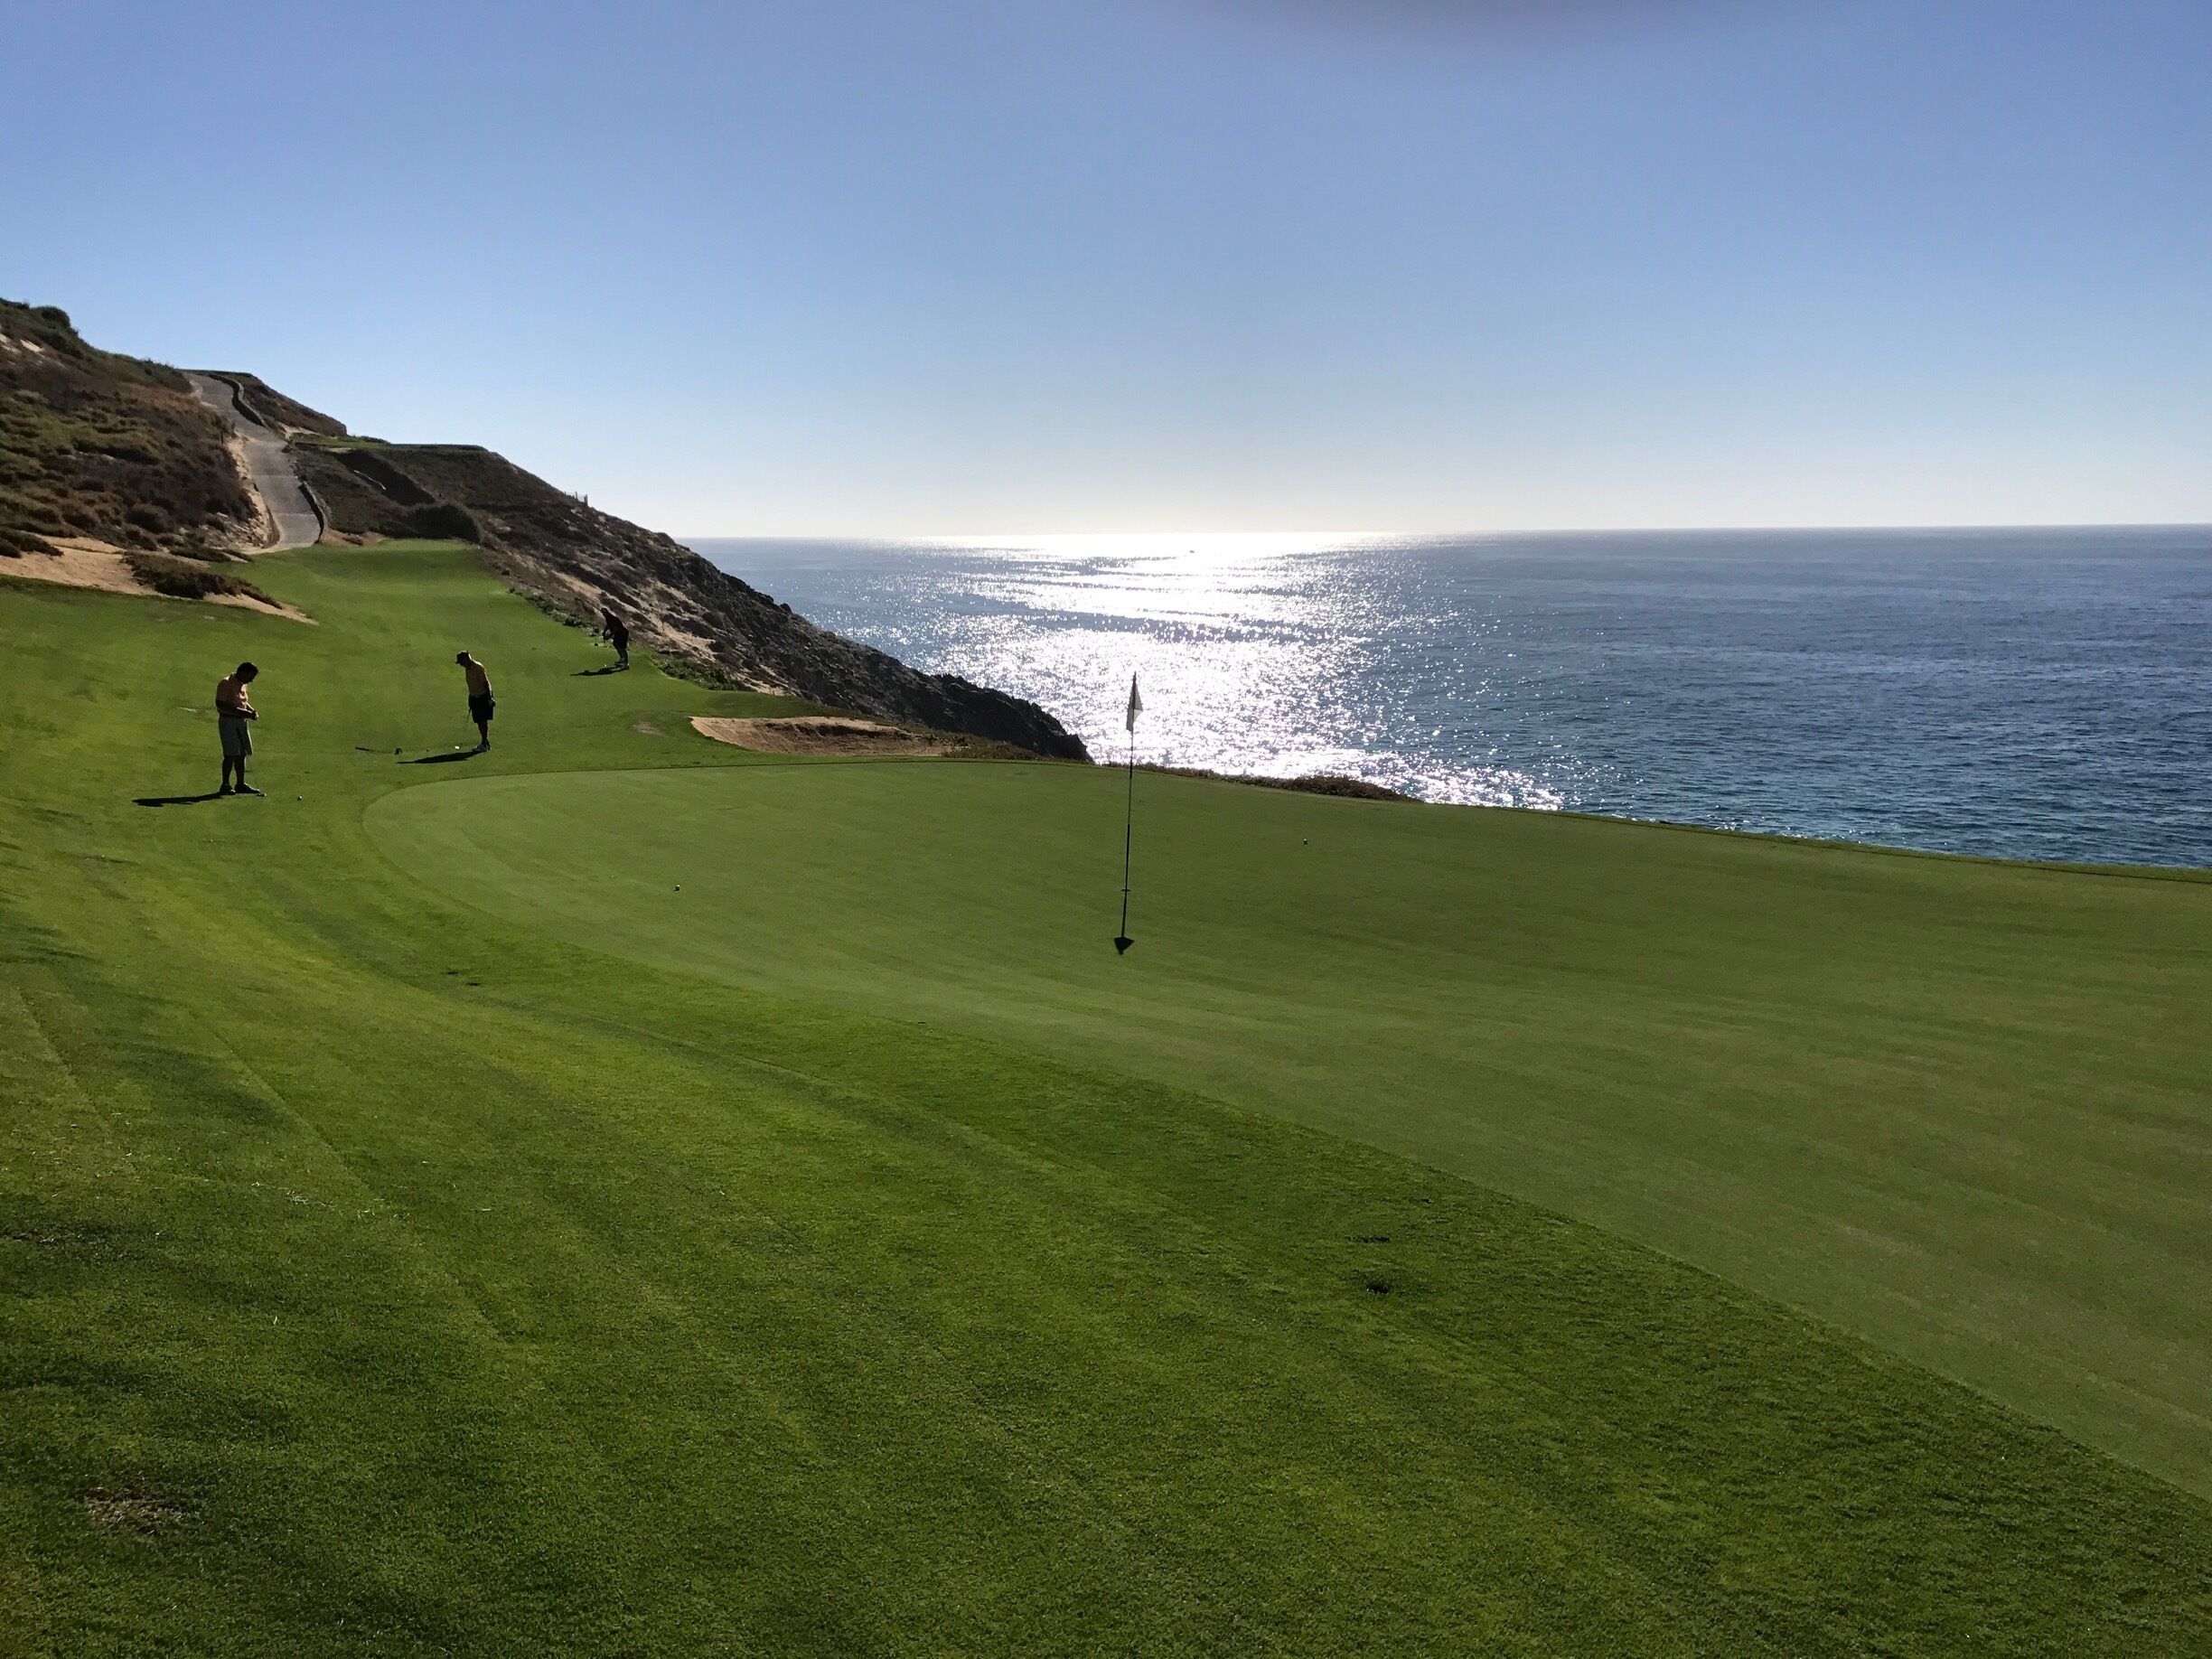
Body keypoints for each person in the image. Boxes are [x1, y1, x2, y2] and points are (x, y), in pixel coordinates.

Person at [214, 661, 262, 796]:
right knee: (230, 753)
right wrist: (242, 712)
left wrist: (251, 711)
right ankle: (225, 784)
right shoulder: (226, 683)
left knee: (242, 753)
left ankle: (240, 784)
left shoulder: (243, 685)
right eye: (250, 677)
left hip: (241, 722)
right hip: (228, 721)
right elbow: (220, 703)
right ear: (242, 672)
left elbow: (243, 703)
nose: (251, 680)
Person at [455, 651, 495, 751]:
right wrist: (471, 698)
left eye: (461, 662)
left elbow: (485, 683)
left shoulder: (477, 667)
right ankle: (485, 742)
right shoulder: (468, 669)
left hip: (483, 696)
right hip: (475, 697)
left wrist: (489, 698)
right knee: (479, 720)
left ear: (466, 659)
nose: (460, 665)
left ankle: (484, 743)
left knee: (483, 720)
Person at [602, 605, 630, 670]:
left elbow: (615, 629)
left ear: (607, 612)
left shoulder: (612, 617)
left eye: (604, 613)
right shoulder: (607, 618)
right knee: (615, 644)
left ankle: (626, 663)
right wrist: (604, 631)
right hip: (618, 633)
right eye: (602, 613)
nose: (603, 614)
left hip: (623, 632)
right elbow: (608, 625)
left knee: (622, 647)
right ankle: (622, 659)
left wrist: (609, 636)